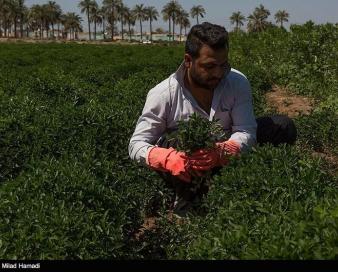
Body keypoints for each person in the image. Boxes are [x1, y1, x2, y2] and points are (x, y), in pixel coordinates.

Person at [128, 22, 297, 216]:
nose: (218, 73)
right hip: (186, 163)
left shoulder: (236, 82)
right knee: (181, 138)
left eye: (223, 65)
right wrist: (168, 159)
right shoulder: (163, 94)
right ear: (188, 60)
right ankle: (185, 203)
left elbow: (245, 130)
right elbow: (137, 144)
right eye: (209, 66)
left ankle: (257, 182)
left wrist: (223, 151)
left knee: (282, 127)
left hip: (224, 153)